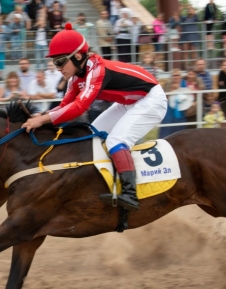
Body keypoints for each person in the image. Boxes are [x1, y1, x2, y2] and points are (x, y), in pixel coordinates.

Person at [21, 23, 166, 211]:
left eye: (59, 61)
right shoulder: (74, 78)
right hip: (130, 102)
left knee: (115, 141)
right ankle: (103, 181)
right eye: (55, 62)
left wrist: (42, 120)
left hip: (151, 99)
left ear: (78, 56)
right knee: (94, 134)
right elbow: (64, 107)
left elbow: (80, 107)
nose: (57, 68)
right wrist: (41, 115)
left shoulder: (97, 69)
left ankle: (131, 194)